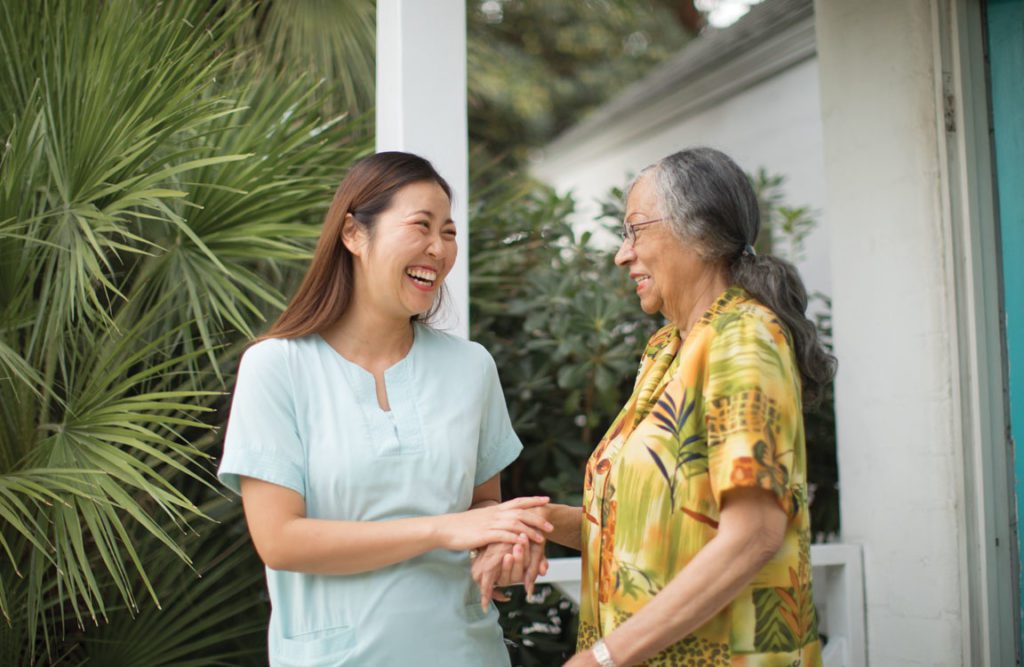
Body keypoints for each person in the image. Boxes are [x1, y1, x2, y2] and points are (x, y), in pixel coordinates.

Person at [217, 151, 553, 666]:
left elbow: (482, 508)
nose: (438, 249)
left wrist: (504, 542)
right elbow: (280, 541)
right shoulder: (275, 367)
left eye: (449, 232)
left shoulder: (471, 367)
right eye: (421, 226)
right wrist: (441, 529)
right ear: (354, 234)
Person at [508, 147, 837, 666]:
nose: (622, 254)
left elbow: (753, 537)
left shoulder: (742, 338)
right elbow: (660, 521)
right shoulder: (669, 348)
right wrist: (546, 522)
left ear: (699, 233)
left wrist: (604, 658)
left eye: (635, 230)